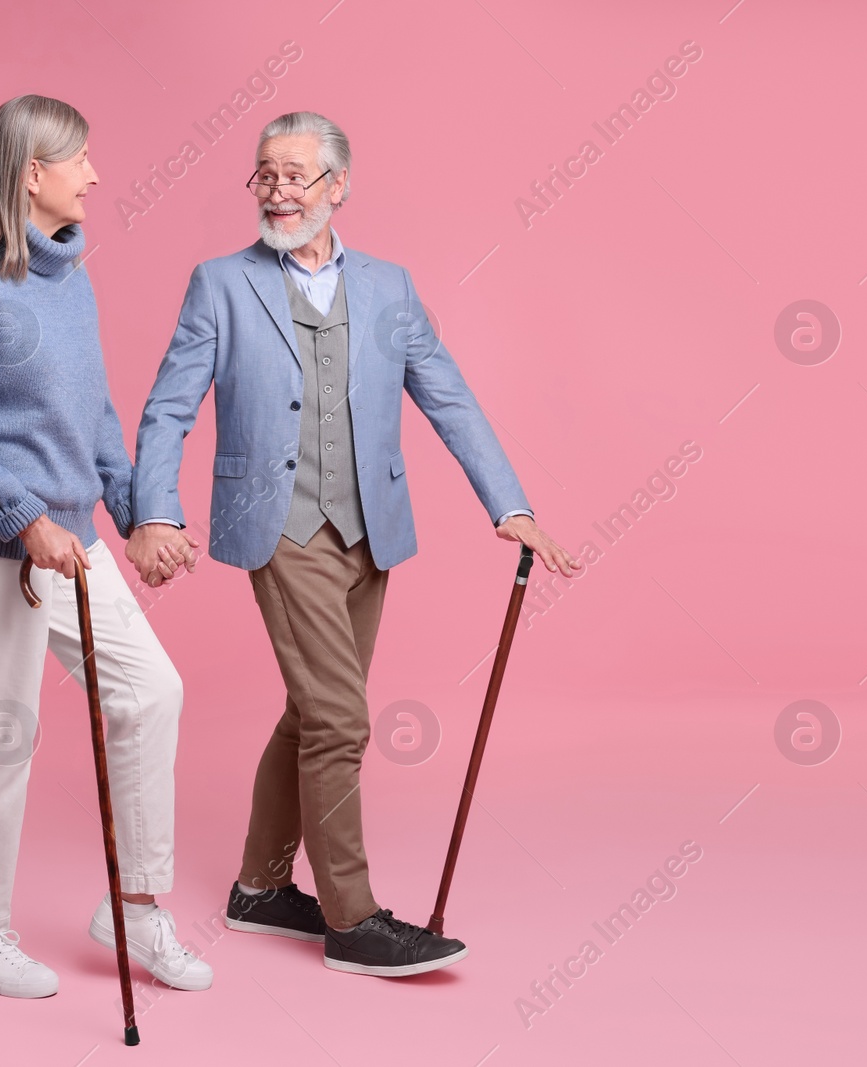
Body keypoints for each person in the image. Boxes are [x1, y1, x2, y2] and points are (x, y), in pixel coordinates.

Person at [128, 110, 581, 977]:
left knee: (310, 711)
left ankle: (259, 890)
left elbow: (448, 395)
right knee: (340, 716)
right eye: (266, 174)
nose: (279, 190)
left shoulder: (390, 287)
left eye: (297, 174)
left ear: (340, 186)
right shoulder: (220, 283)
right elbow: (169, 408)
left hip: (370, 528)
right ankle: (353, 918)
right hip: (275, 523)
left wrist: (509, 504)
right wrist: (157, 511)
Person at [0, 94, 211, 999]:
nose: (94, 174)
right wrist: (20, 517)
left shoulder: (72, 275)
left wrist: (138, 516)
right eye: (78, 159)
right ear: (31, 173)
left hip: (74, 544)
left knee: (153, 690)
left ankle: (136, 904)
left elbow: (95, 417)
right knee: (6, 732)